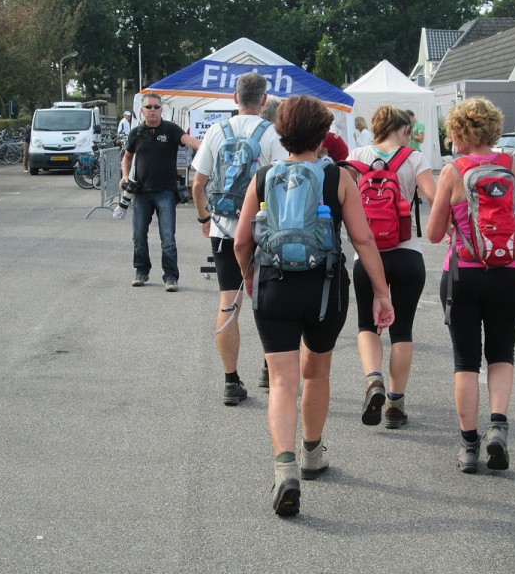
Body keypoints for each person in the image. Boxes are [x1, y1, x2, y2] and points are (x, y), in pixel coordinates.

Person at [233, 95, 395, 516]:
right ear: (323, 135)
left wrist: (251, 278)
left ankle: (283, 466)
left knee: (283, 380)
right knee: (316, 369)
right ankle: (311, 452)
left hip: (274, 285)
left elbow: (240, 241)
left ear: (281, 133)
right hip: (324, 288)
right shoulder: (338, 177)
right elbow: (362, 239)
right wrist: (381, 292)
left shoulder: (263, 176)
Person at [426, 97, 515, 474]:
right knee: (502, 354)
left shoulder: (453, 171)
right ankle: (498, 426)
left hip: (464, 272)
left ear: (461, 131)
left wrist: (460, 225)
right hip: (509, 273)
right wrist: (508, 226)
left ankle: (468, 447)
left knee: (465, 361)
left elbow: (432, 234)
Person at [190, 73, 288, 405]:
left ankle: (231, 380)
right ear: (264, 100)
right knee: (270, 298)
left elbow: (197, 184)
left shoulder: (217, 131)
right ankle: (267, 368)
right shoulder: (272, 133)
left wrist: (205, 219)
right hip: (263, 230)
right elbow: (282, 182)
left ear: (235, 98)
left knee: (228, 301)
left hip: (223, 228)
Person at [345, 106, 436, 429]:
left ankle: (373, 380)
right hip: (407, 252)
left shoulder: (357, 154)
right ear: (401, 129)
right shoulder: (414, 158)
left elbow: (340, 196)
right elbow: (432, 197)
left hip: (367, 256)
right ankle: (396, 404)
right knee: (402, 330)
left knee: (366, 325)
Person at [115, 93, 200, 292]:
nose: (152, 110)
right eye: (148, 107)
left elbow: (191, 141)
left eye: (156, 107)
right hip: (142, 193)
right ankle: (141, 271)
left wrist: (206, 147)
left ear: (162, 110)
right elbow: (127, 157)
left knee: (168, 237)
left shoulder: (170, 129)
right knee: (138, 236)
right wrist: (124, 176)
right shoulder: (136, 132)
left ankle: (171, 277)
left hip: (166, 193)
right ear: (142, 111)